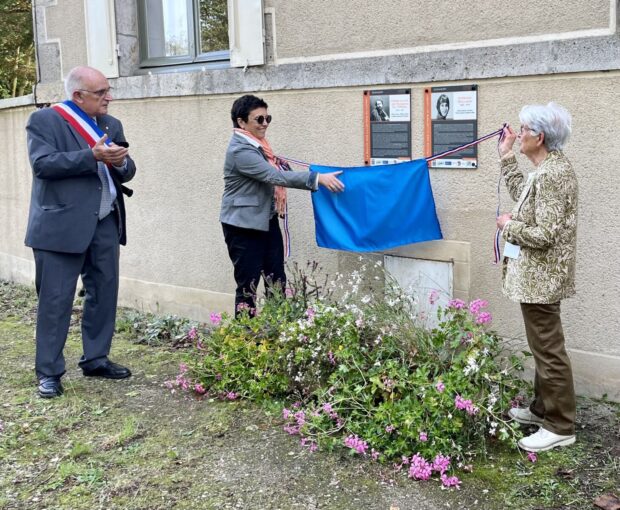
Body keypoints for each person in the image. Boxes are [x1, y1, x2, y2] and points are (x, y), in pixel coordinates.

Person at [25, 66, 137, 398]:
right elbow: (43, 165)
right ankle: (49, 371)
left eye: (108, 90)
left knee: (104, 292)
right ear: (78, 96)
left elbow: (128, 169)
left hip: (104, 220)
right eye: (102, 93)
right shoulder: (45, 121)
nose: (109, 97)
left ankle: (96, 358)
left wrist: (119, 162)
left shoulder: (110, 124)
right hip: (60, 225)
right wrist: (92, 156)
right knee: (56, 300)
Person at [496, 102, 578, 452]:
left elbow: (545, 234)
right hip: (535, 279)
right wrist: (506, 156)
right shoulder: (544, 170)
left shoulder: (554, 175)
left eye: (523, 130)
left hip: (542, 280)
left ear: (538, 136)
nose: (519, 133)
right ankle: (542, 409)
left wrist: (508, 226)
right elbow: (523, 197)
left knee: (549, 350)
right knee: (542, 347)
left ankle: (560, 426)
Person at [220, 94, 344, 316]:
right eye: (259, 119)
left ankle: (276, 332)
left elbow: (276, 169)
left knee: (276, 280)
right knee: (248, 287)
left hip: (266, 222)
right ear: (241, 122)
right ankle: (245, 340)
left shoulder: (259, 147)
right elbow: (273, 176)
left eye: (268, 118)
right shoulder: (240, 150)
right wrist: (317, 178)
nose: (265, 124)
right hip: (243, 227)